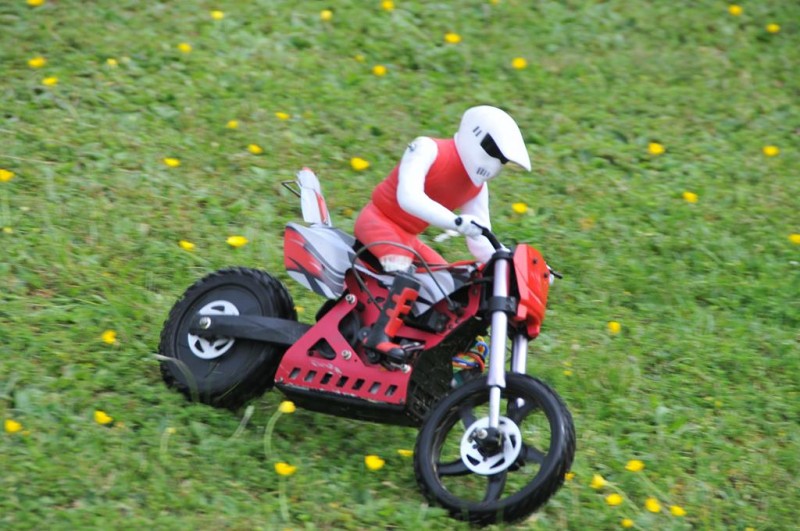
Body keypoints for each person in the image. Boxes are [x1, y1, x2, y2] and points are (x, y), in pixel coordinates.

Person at [353, 105, 532, 362]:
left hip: (408, 238)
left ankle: (426, 346)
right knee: (405, 270)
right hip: (379, 222)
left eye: (502, 160)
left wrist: (515, 265)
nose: (495, 164)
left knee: (446, 283)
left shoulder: (476, 187)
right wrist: (455, 221)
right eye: (493, 151)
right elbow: (408, 196)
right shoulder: (426, 148)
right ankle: (378, 338)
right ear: (475, 134)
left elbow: (482, 241)